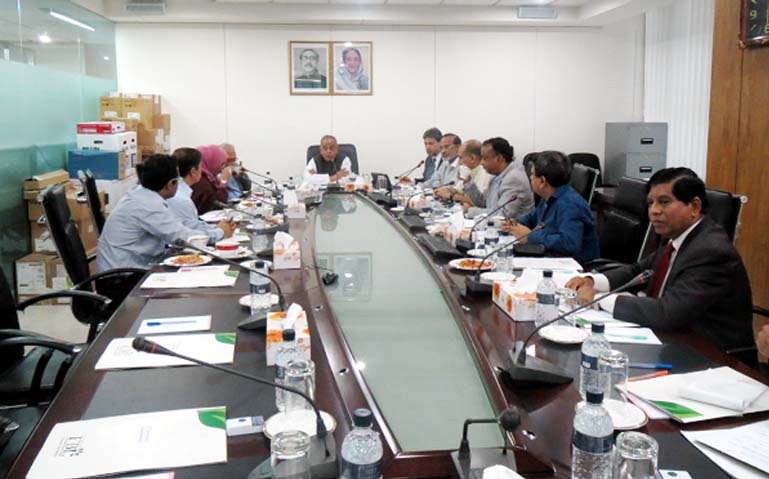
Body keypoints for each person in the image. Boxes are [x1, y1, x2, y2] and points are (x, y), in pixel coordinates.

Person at [565, 167, 753, 352]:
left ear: (694, 207)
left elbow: (666, 312)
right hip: (672, 338)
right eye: (650, 203)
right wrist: (591, 280)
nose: (653, 211)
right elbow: (637, 271)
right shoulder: (681, 239)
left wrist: (597, 298)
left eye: (664, 202)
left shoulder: (711, 251)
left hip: (710, 355)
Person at [97, 154, 198, 272]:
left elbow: (175, 227)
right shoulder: (148, 205)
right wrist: (219, 234)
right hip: (122, 278)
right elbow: (181, 236)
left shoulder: (141, 194)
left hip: (128, 268)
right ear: (171, 184)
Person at [506, 150, 599, 263]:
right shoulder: (548, 196)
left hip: (575, 268)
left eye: (532, 174)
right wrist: (514, 223)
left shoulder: (570, 205)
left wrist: (529, 236)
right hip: (551, 257)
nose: (530, 178)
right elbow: (533, 217)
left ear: (542, 181)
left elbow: (569, 243)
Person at [167, 147, 234, 243]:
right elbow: (192, 236)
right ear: (193, 171)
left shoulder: (181, 191)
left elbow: (193, 224)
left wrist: (216, 227)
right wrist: (221, 232)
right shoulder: (180, 198)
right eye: (200, 166)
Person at [462, 137, 534, 220]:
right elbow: (484, 203)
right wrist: (468, 182)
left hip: (514, 230)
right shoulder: (496, 176)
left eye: (485, 158)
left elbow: (502, 215)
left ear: (499, 158)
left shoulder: (514, 178)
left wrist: (470, 211)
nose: (481, 163)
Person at [191, 144, 230, 214]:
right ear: (212, 162)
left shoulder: (208, 176)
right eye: (221, 164)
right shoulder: (199, 180)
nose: (222, 168)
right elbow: (218, 202)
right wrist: (223, 182)